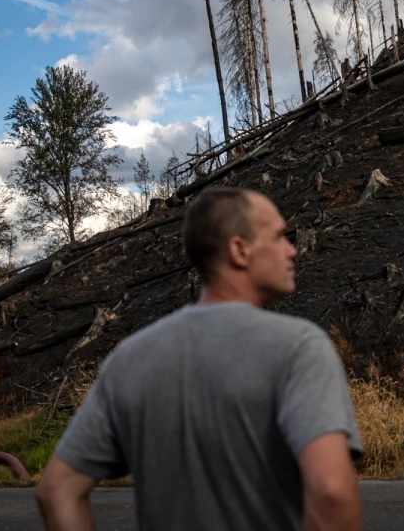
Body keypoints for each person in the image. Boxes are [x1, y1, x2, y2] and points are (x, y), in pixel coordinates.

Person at [35, 187, 363, 531]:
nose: (292, 250)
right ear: (240, 249)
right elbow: (331, 493)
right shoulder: (299, 347)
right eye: (280, 236)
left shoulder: (130, 358)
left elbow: (57, 491)